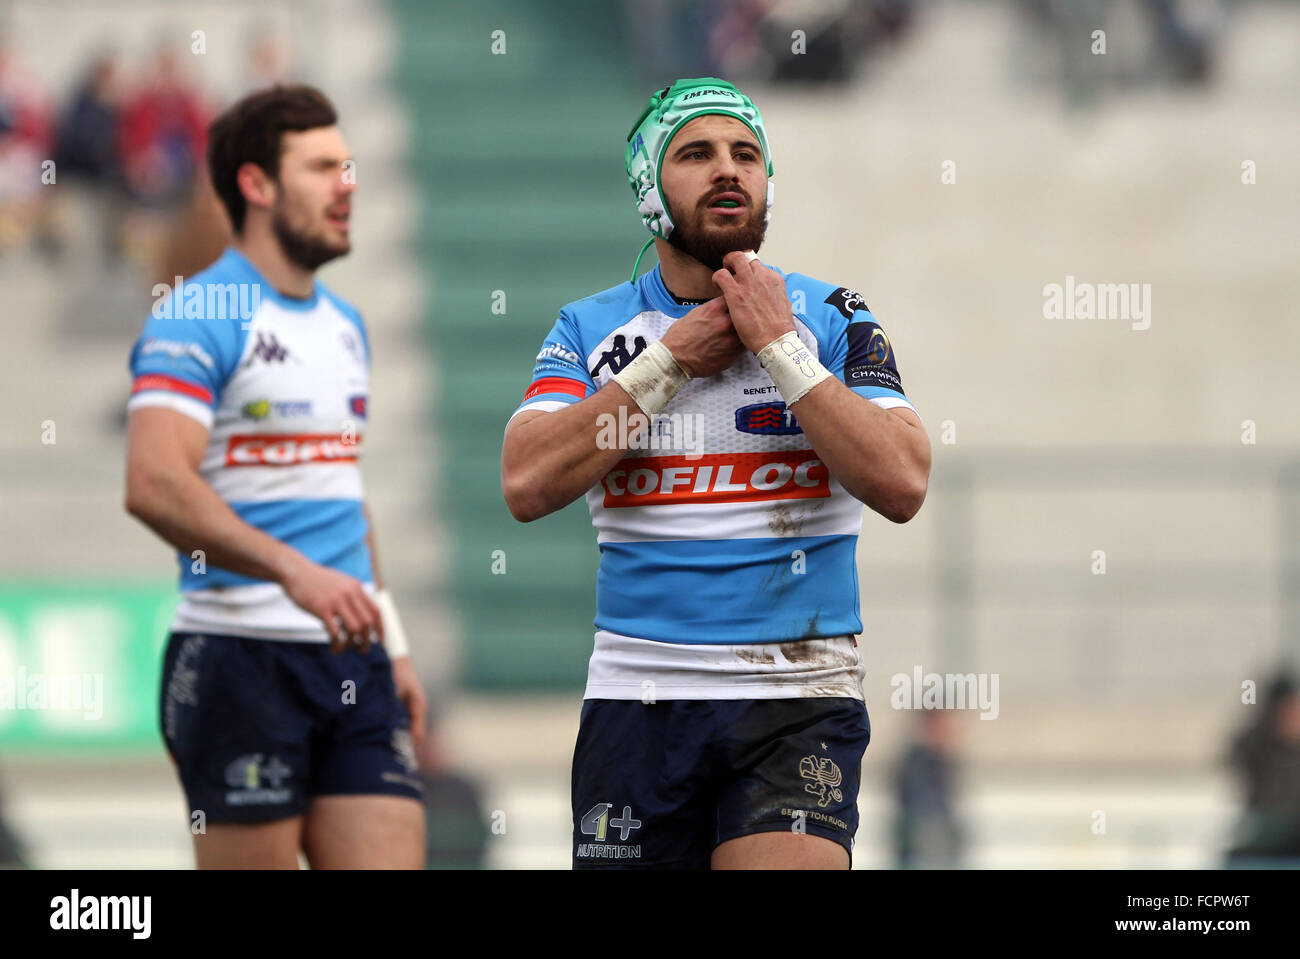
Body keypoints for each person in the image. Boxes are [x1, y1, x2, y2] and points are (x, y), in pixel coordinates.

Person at [501, 78, 930, 869]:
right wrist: (670, 365)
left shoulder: (832, 315)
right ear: (650, 190)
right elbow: (527, 483)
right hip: (638, 699)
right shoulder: (590, 327)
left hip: (798, 697)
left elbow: (903, 480)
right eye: (695, 154)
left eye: (746, 154)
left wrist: (781, 350)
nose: (727, 170)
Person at [124, 84, 425, 869]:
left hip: (353, 660)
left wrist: (389, 641)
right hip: (239, 656)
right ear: (256, 185)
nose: (347, 183)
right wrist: (297, 573)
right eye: (323, 167)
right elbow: (153, 482)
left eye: (349, 164)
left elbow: (342, 491)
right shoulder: (198, 312)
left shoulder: (345, 325)